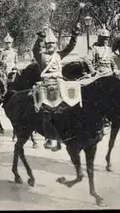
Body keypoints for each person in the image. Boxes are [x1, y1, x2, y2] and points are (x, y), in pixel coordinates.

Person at [32, 23, 80, 151]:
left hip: (60, 83)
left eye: (52, 44)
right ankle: (49, 137)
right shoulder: (41, 56)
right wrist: (41, 37)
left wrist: (74, 34)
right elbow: (35, 49)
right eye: (48, 44)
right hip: (47, 85)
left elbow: (70, 47)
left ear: (55, 45)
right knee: (47, 111)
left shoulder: (59, 55)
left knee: (71, 105)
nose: (50, 46)